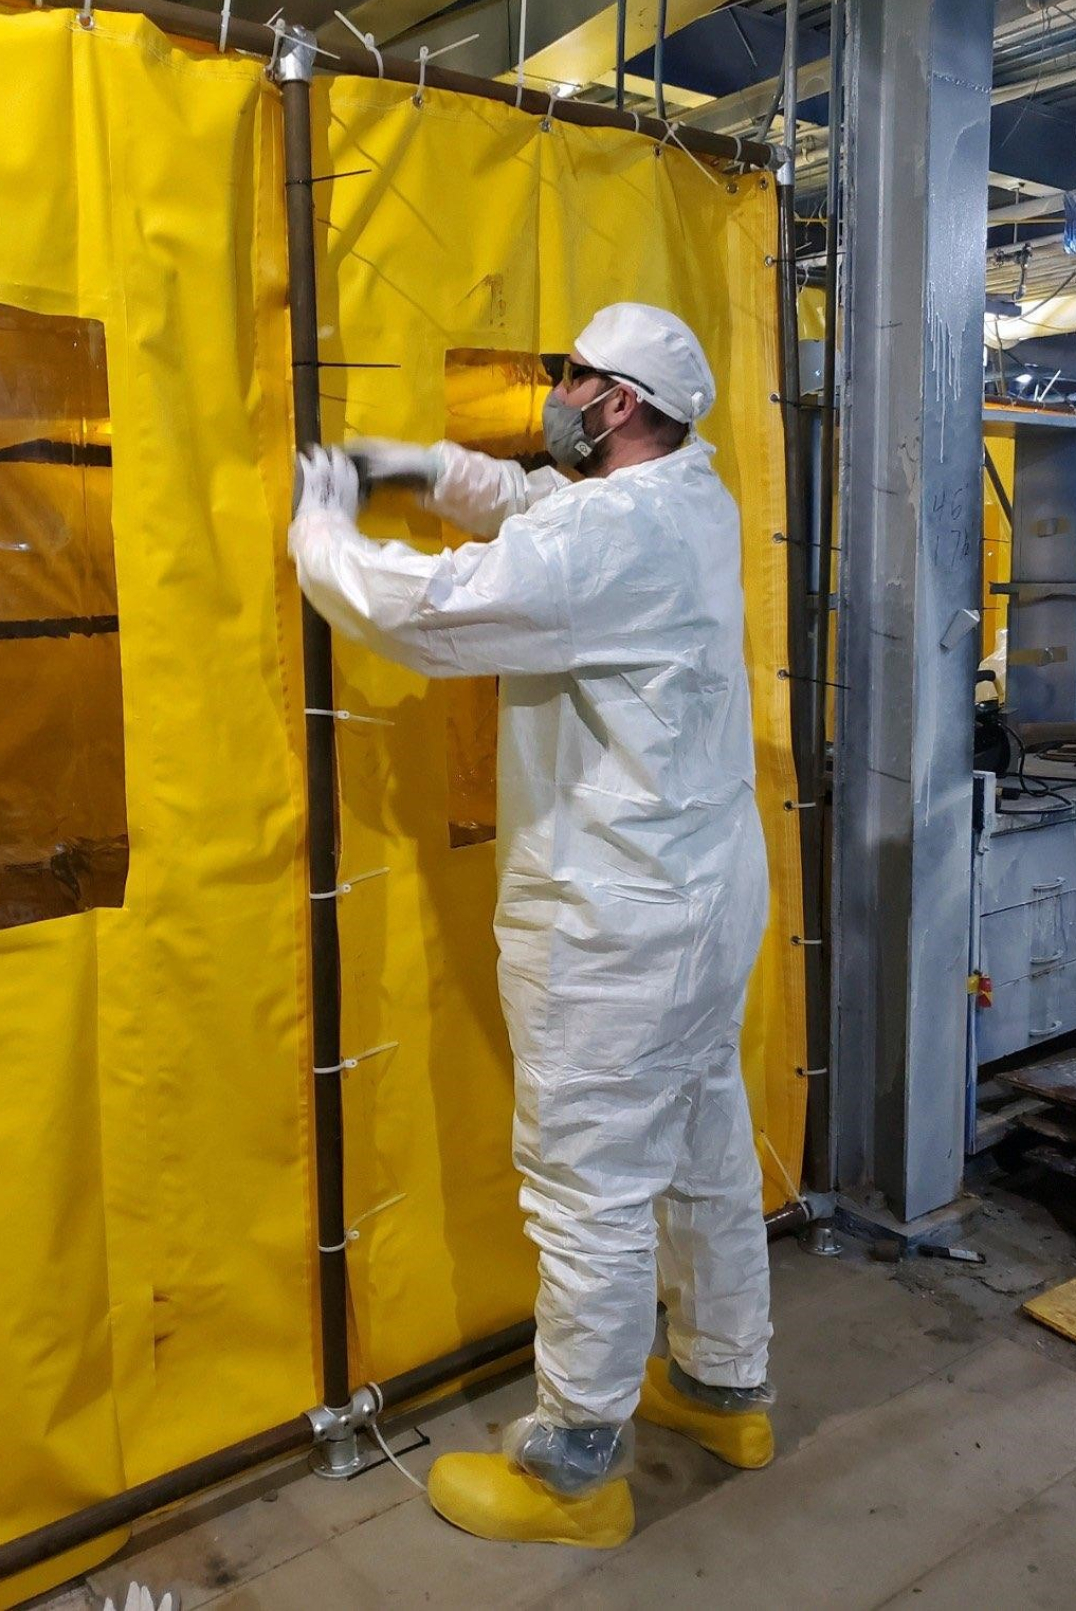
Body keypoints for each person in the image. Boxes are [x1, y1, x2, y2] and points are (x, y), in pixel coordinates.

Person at [289, 303, 773, 1549]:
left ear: (613, 404)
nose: (548, 395)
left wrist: (322, 530)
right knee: (705, 1141)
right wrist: (414, 466)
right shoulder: (687, 494)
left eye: (566, 380)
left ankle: (575, 1473)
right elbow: (535, 513)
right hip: (700, 895)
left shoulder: (620, 534)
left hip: (616, 919)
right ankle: (723, 1388)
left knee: (591, 1188)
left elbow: (432, 611)